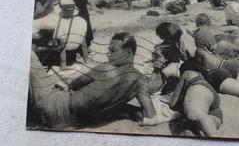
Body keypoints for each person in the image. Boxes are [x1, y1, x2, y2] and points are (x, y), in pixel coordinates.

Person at [29, 32, 158, 128]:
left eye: (113, 51)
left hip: (56, 109)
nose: (108, 54)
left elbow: (75, 84)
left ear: (129, 53)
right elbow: (150, 115)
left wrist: (67, 86)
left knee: (31, 57)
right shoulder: (140, 81)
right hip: (78, 122)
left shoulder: (106, 69)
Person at [170, 60, 222, 137]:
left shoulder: (187, 73)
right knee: (191, 128)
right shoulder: (202, 75)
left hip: (199, 90)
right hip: (213, 99)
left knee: (193, 114)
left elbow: (173, 102)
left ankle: (218, 142)